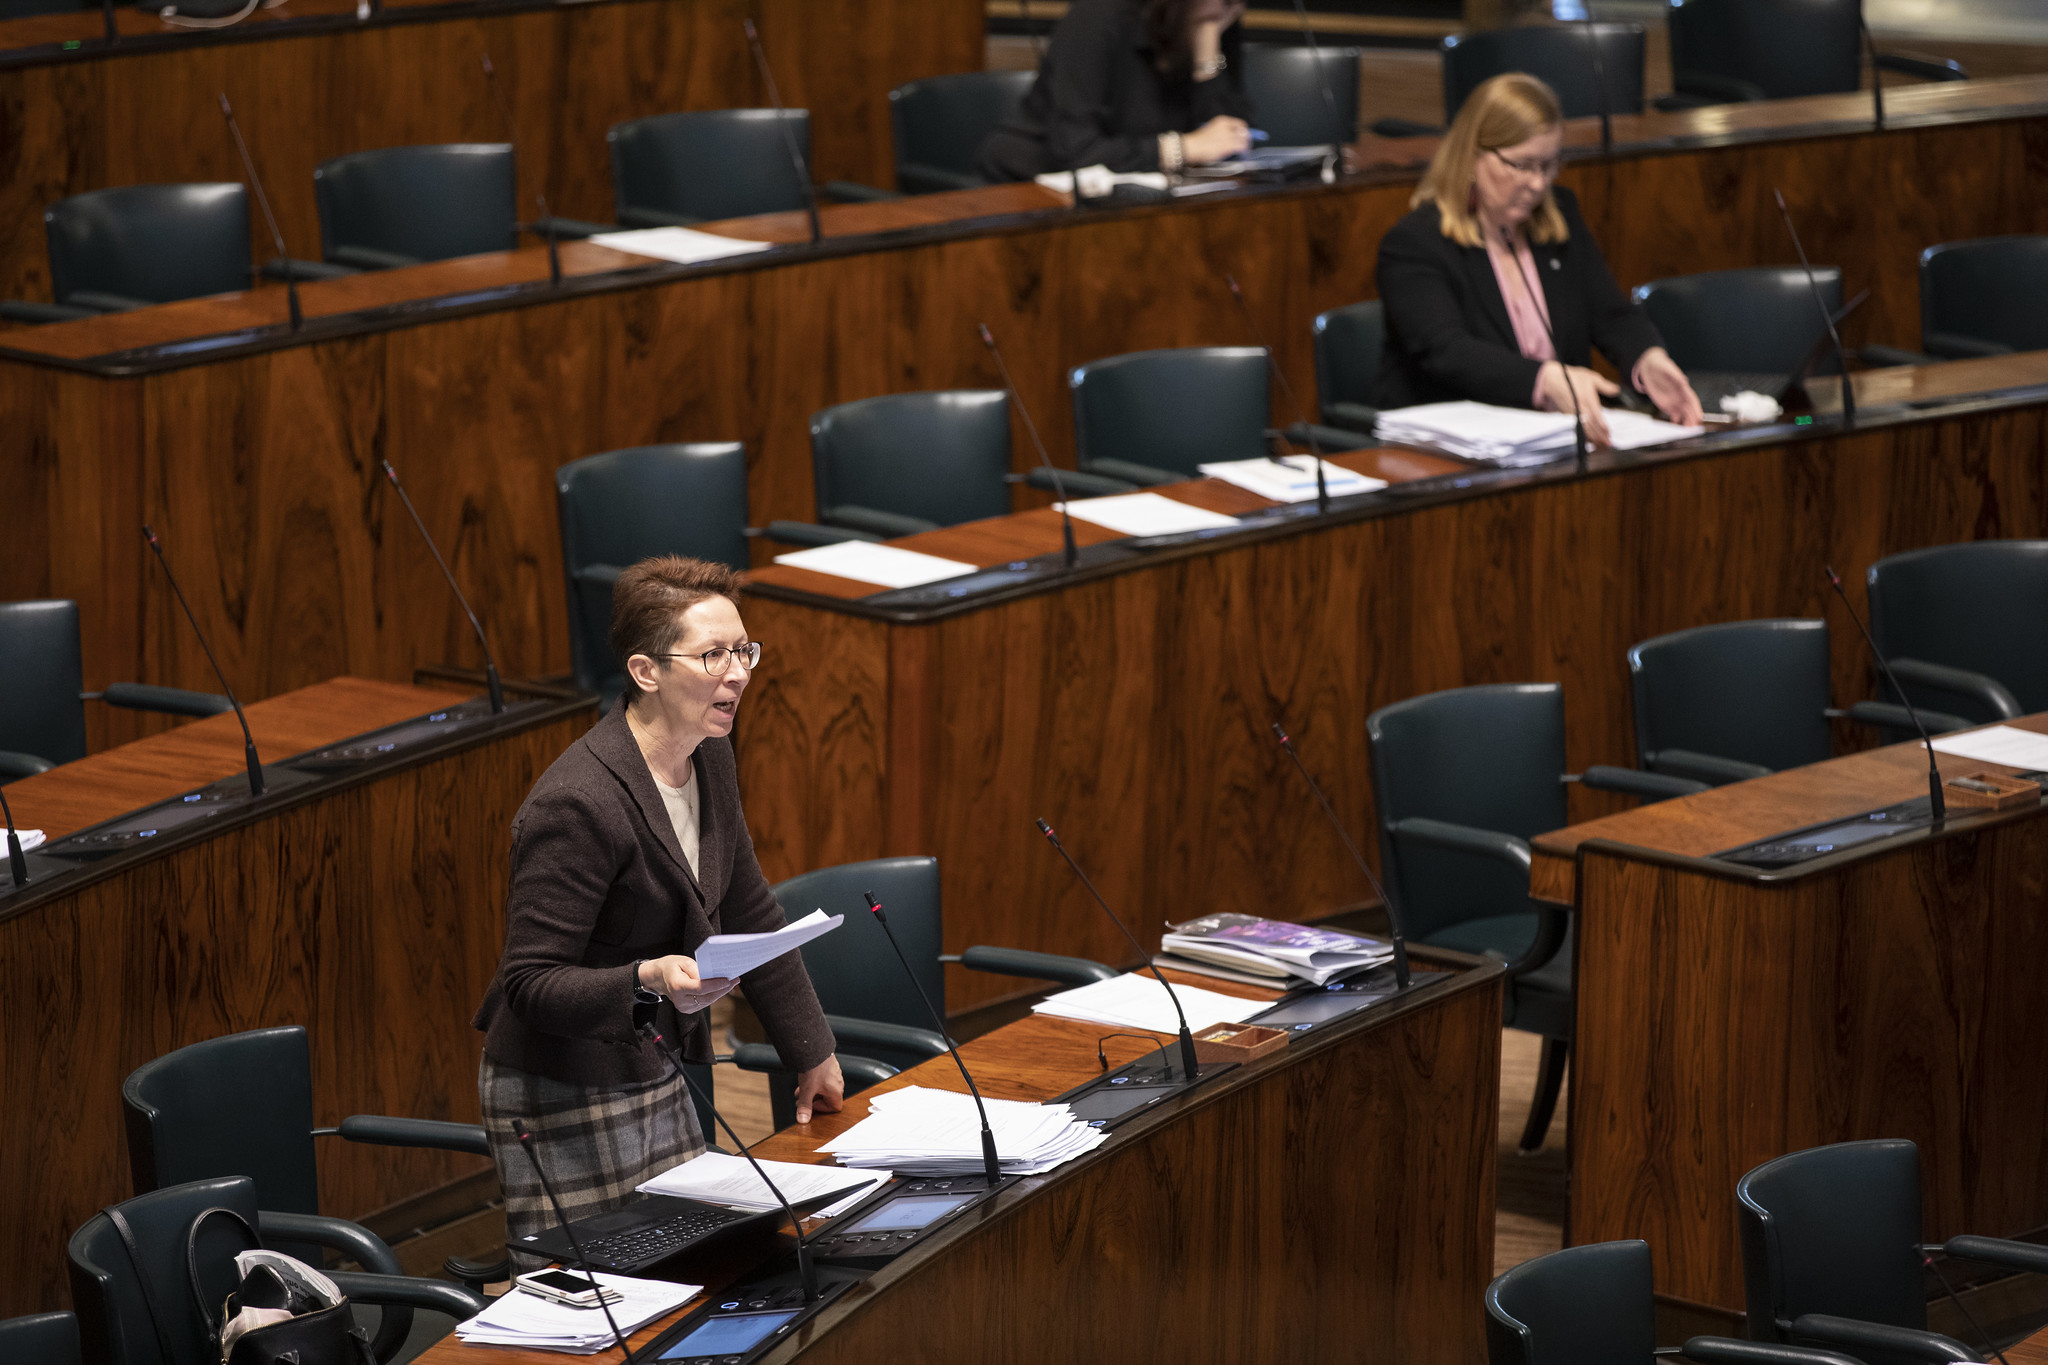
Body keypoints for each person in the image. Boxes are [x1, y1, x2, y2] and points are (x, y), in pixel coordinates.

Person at [472, 556, 841, 1259]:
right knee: (606, 1293)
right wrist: (646, 978)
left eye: (744, 650)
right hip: (563, 1083)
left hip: (652, 1061)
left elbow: (748, 906)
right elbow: (529, 982)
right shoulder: (578, 802)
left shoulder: (709, 756)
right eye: (712, 655)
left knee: (684, 1268)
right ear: (646, 672)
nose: (738, 673)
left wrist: (812, 1048)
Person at [1374, 73, 1703, 444]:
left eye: (1548, 165)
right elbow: (1445, 351)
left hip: (1557, 442)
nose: (1537, 183)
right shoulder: (1416, 243)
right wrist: (1543, 379)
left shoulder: (1561, 215)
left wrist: (1648, 359)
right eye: (1522, 165)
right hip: (1455, 450)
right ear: (1471, 156)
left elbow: (1610, 314)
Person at [974, 0, 1254, 183]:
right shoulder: (1097, 16)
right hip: (1030, 187)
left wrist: (1207, 49)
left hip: (1136, 193)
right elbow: (1076, 150)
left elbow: (1231, 134)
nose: (1233, 8)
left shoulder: (1216, 21)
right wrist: (1181, 148)